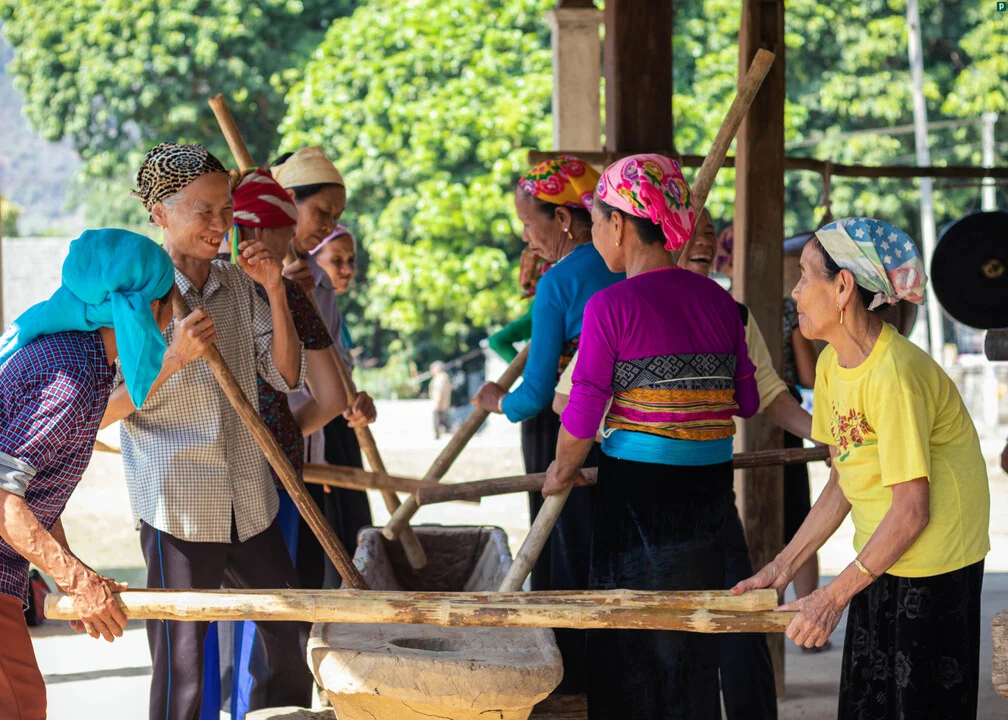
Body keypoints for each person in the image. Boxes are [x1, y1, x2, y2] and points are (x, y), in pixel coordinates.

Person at [735, 217, 990, 719]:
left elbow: (912, 511)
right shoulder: (831, 365)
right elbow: (842, 480)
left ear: (843, 287)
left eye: (805, 276)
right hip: (881, 552)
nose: (795, 292)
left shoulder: (894, 374)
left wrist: (831, 596)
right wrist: (782, 568)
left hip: (934, 561)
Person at [101, 142, 313, 719]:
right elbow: (101, 412)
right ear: (159, 214)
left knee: (291, 636)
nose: (220, 225)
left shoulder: (238, 285)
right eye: (204, 212)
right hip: (178, 509)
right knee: (185, 669)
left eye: (226, 210)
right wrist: (173, 358)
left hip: (250, 499)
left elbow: (285, 374)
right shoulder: (130, 300)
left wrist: (274, 289)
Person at [545, 154, 758, 719]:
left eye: (597, 223)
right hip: (709, 493)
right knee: (692, 637)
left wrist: (561, 470)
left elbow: (583, 412)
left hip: (637, 496)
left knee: (627, 638)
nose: (595, 236)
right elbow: (748, 403)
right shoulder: (720, 302)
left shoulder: (610, 305)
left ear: (618, 224)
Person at [0, 229, 175, 720]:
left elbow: (32, 493)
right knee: (20, 707)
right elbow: (3, 499)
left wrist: (73, 576)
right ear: (152, 308)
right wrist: (76, 580)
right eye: (171, 302)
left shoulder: (73, 358)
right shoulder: (73, 377)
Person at [212, 168, 366, 719]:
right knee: (276, 616)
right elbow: (331, 399)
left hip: (202, 476)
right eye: (289, 229)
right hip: (272, 478)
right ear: (260, 230)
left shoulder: (193, 291)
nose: (297, 240)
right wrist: (281, 433)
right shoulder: (290, 295)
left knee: (209, 623)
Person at [470, 155, 622, 693]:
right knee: (610, 544)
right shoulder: (628, 265)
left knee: (563, 545)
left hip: (565, 429)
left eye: (527, 222)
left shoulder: (558, 282)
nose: (525, 236)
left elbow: (534, 396)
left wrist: (497, 402)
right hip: (629, 429)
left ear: (561, 218)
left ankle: (571, 676)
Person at [274, 148, 377, 569]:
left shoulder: (319, 283)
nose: (329, 225)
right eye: (321, 212)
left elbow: (335, 363)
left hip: (309, 449)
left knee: (310, 569)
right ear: (288, 202)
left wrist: (355, 398)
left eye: (336, 215)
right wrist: (277, 293)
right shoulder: (239, 271)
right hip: (262, 456)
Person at [487, 247, 552, 362]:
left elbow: (496, 341)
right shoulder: (542, 301)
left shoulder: (543, 300)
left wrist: (525, 371)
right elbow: (497, 341)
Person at [429, 361, 452, 438]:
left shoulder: (440, 378)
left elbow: (439, 391)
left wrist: (437, 404)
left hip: (439, 404)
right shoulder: (444, 377)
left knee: (439, 421)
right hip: (443, 404)